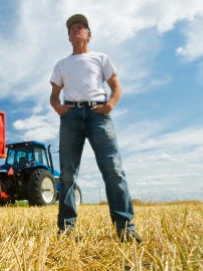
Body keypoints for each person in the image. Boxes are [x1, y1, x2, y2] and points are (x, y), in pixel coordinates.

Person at [49, 13, 141, 243]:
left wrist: (110, 104)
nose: (76, 30)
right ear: (68, 37)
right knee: (67, 174)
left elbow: (116, 87)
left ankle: (125, 227)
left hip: (98, 115)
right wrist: (59, 108)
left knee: (113, 169)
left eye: (80, 27)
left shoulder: (101, 59)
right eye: (72, 29)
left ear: (89, 34)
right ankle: (66, 229)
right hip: (70, 117)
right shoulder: (61, 65)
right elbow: (53, 96)